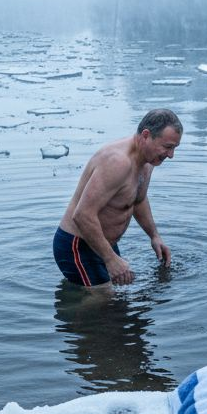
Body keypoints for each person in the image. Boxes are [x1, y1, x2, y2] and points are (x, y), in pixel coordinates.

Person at [54, 109, 182, 287]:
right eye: (167, 147)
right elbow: (82, 214)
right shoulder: (117, 162)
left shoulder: (148, 161)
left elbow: (138, 199)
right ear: (146, 135)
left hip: (101, 243)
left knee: (116, 303)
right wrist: (110, 259)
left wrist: (154, 236)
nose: (170, 155)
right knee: (101, 301)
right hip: (78, 245)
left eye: (174, 148)